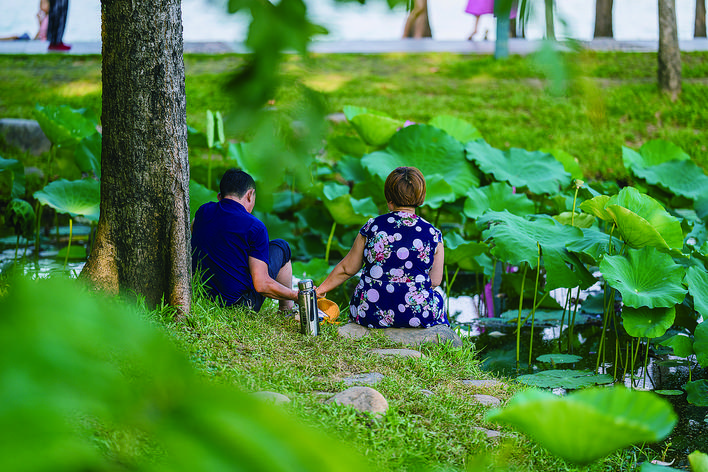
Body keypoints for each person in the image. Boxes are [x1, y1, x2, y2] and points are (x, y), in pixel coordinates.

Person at [316, 167, 448, 329]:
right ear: (421, 197)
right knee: (438, 298)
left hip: (369, 312)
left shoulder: (372, 227)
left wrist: (320, 290)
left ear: (389, 198)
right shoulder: (433, 234)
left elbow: (347, 269)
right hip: (417, 314)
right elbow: (435, 281)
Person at [191, 168, 297, 313]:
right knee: (281, 247)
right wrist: (297, 295)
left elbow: (194, 231)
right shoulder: (255, 226)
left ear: (219, 196)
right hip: (239, 306)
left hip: (201, 296)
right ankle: (286, 309)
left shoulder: (203, 211)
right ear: (249, 195)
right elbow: (261, 285)